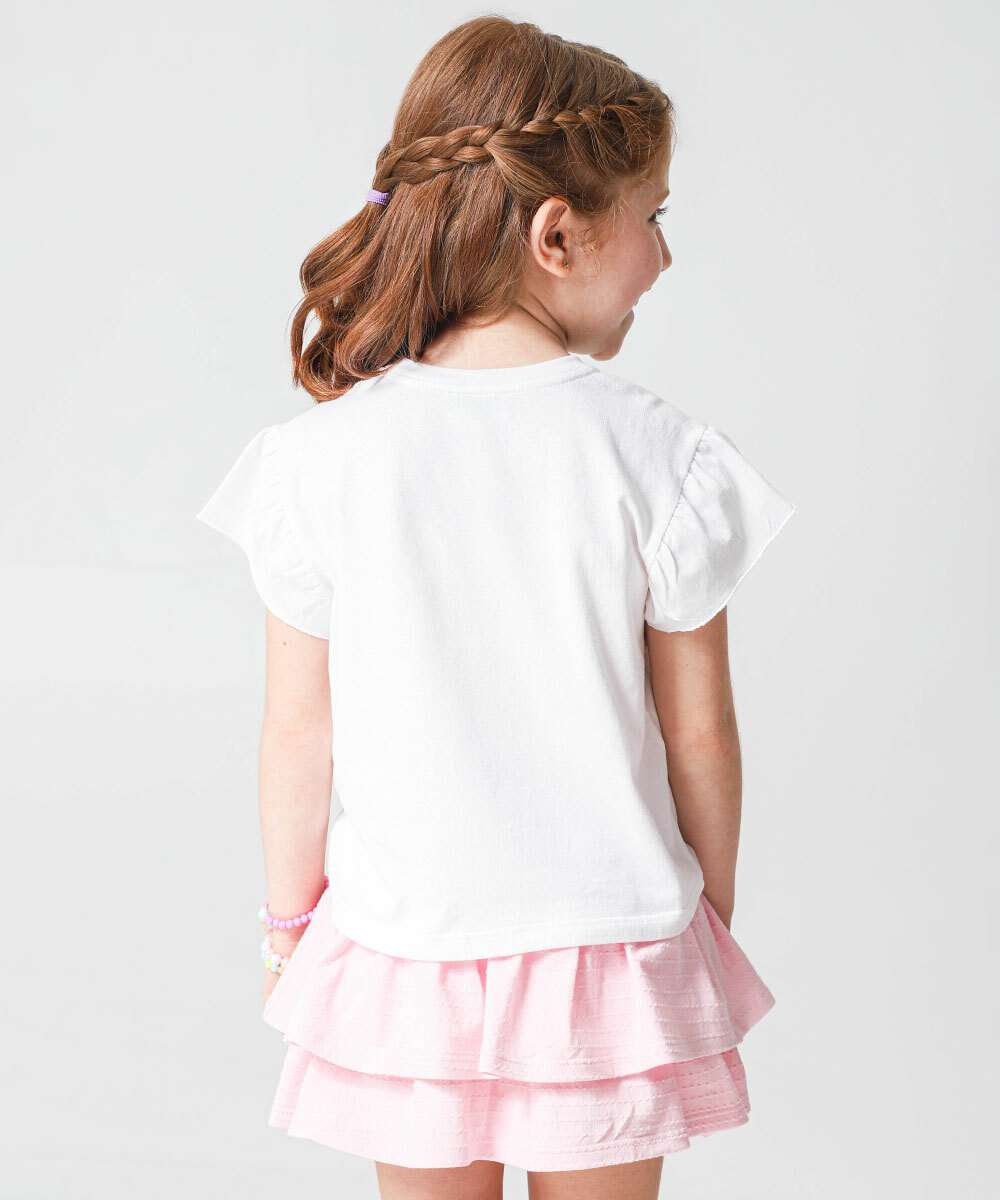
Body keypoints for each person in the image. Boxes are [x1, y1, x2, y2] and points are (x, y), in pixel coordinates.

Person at [196, 15, 796, 1200]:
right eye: (655, 216)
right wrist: (706, 914)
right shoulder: (658, 457)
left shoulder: (321, 460)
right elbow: (700, 736)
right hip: (612, 949)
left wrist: (287, 929)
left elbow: (298, 732)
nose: (666, 257)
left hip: (408, 951)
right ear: (556, 233)